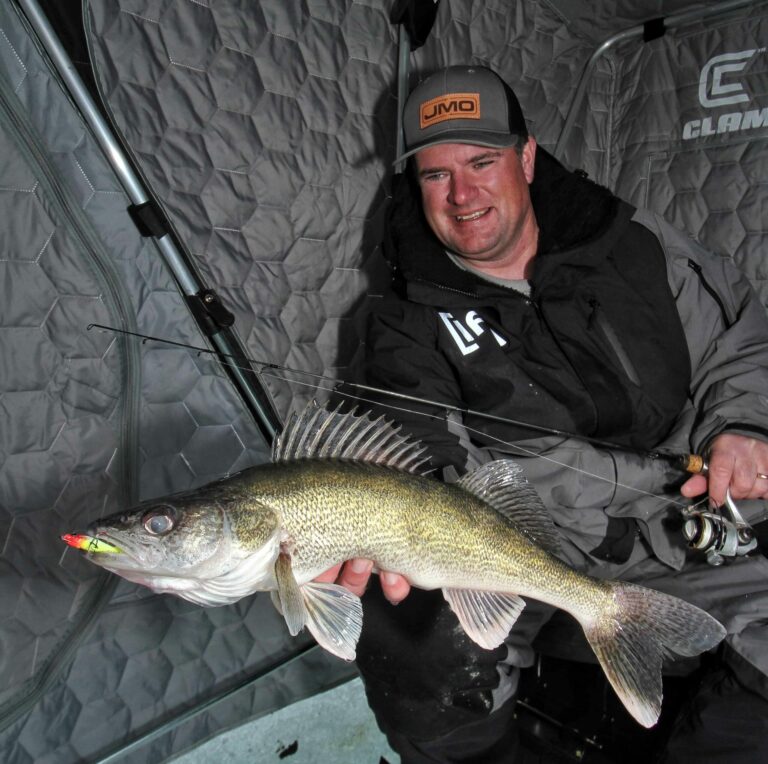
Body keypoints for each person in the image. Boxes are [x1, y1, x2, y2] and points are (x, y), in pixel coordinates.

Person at [319, 65, 768, 762]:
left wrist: (743, 427)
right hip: (528, 551)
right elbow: (414, 455)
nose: (461, 194)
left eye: (481, 161)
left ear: (526, 158)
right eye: (435, 175)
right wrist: (371, 533)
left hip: (698, 527)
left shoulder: (633, 244)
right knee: (412, 637)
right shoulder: (403, 324)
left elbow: (741, 342)